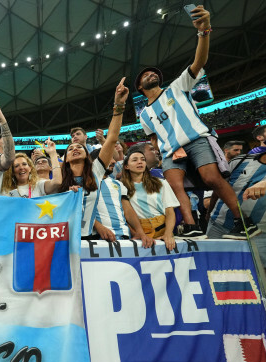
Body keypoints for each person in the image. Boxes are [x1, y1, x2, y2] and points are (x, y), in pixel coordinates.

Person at [135, 5, 256, 240]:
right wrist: (161, 152)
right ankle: (192, 225)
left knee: (212, 178)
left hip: (195, 139)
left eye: (153, 74)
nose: (150, 75)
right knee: (173, 187)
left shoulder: (177, 87)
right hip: (171, 150)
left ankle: (243, 221)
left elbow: (199, 61)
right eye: (144, 76)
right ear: (140, 87)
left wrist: (203, 32)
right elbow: (152, 137)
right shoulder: (143, 114)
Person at [207, 128, 266, 328]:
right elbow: (220, 187)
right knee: (213, 271)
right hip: (219, 226)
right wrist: (209, 213)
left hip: (261, 231)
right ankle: (218, 317)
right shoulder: (240, 161)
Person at [60, 77, 128, 237]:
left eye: (79, 147)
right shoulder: (59, 181)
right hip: (66, 239)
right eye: (71, 148)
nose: (75, 148)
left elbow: (111, 138)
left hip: (91, 237)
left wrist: (119, 105)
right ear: (66, 158)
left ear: (86, 154)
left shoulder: (95, 171)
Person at [90, 150, 154, 248]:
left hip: (124, 236)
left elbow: (127, 210)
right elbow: (80, 210)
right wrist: (98, 227)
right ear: (97, 161)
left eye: (114, 158)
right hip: (97, 237)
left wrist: (139, 232)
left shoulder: (118, 184)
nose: (114, 162)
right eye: (110, 158)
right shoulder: (83, 183)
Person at [120, 150, 179, 250]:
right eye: (135, 160)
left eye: (143, 160)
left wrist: (168, 234)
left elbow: (169, 211)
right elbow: (124, 216)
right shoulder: (121, 187)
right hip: (140, 232)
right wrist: (137, 233)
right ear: (126, 166)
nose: (140, 162)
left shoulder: (161, 183)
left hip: (163, 228)